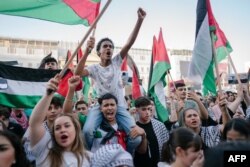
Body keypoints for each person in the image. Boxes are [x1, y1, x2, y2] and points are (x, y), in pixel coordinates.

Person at [75, 8, 146, 152]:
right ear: (99, 51)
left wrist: (139, 20)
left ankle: (127, 157)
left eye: (111, 47)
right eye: (105, 46)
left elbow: (129, 43)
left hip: (119, 106)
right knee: (87, 132)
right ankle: (88, 157)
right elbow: (77, 73)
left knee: (136, 138)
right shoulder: (94, 68)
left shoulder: (116, 62)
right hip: (100, 107)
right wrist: (86, 52)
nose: (109, 49)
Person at [28, 75, 91, 167]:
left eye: (67, 126)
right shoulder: (44, 153)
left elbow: (67, 112)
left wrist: (72, 88)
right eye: (57, 128)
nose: (62, 130)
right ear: (53, 134)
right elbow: (35, 123)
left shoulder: (89, 158)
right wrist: (48, 95)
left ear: (76, 129)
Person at [133, 96, 169, 167]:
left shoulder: (159, 125)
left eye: (149, 109)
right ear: (137, 110)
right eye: (144, 109)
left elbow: (166, 146)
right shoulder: (133, 126)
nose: (147, 112)